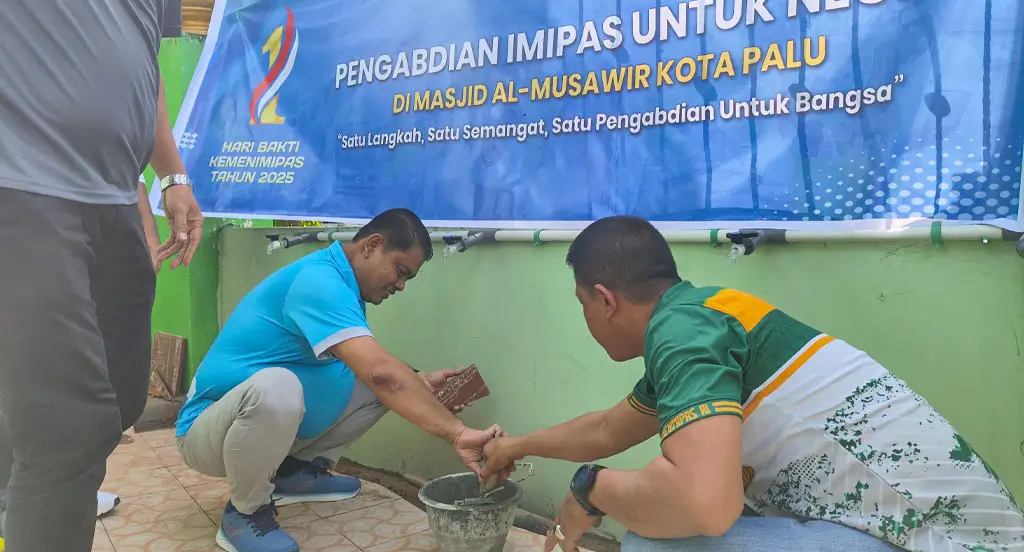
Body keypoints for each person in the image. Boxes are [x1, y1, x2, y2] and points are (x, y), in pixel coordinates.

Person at [480, 216, 1024, 552]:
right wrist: (513, 446)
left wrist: (589, 490)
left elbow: (705, 504)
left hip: (942, 541)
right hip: (912, 528)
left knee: (657, 541)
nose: (586, 317)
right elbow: (605, 428)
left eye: (582, 305)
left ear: (605, 299)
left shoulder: (685, 333)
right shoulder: (706, 316)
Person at [0, 0, 204, 549]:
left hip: (116, 196)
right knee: (68, 430)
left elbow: (142, 62)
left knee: (120, 399)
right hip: (21, 187)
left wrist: (169, 178)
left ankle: (20, 494)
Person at [175, 208, 503, 552]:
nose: (401, 285)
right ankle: (245, 512)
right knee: (279, 387)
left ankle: (293, 472)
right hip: (205, 431)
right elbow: (380, 371)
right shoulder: (319, 282)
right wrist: (458, 432)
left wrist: (420, 382)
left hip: (248, 427)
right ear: (372, 245)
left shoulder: (343, 284)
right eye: (400, 271)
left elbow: (375, 371)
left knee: (382, 385)